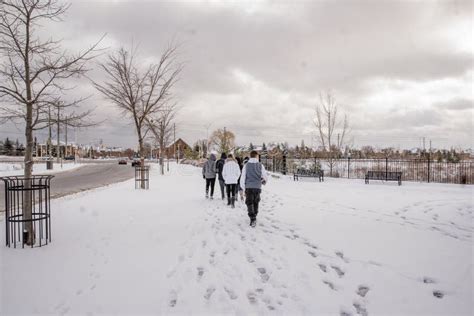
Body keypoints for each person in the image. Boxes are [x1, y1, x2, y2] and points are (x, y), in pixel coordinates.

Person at [240, 150, 268, 227]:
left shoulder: (246, 165)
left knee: (249, 202)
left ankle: (252, 218)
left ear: (250, 156)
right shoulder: (260, 165)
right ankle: (255, 214)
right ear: (256, 156)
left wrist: (243, 187)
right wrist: (264, 181)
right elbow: (265, 177)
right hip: (257, 187)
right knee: (256, 201)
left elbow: (243, 177)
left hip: (249, 186)